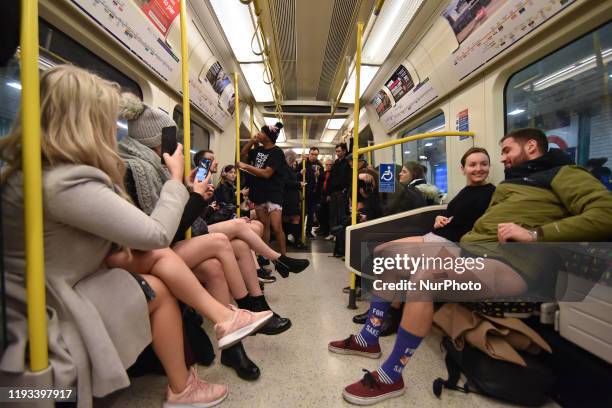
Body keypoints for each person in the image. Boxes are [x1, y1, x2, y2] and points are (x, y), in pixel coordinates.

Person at [0, 65, 254, 407]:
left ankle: (226, 322)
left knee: (196, 251)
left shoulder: (38, 169)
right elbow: (157, 233)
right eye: (107, 119)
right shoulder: (65, 181)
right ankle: (213, 341)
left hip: (58, 277)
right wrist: (176, 180)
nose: (113, 131)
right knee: (170, 275)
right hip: (51, 297)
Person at [329, 128, 612, 405]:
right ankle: (369, 338)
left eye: (506, 151)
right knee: (386, 257)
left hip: (512, 264)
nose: (502, 159)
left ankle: (392, 375)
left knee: (426, 274)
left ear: (532, 147)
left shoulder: (564, 174)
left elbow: (605, 214)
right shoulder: (513, 183)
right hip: (471, 254)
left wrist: (536, 234)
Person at [117, 94, 297, 343]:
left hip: (175, 237)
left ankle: (251, 316)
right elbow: (165, 230)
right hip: (158, 247)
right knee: (224, 241)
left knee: (236, 245)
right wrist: (195, 195)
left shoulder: (158, 169)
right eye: (170, 138)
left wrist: (189, 189)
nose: (175, 144)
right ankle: (256, 300)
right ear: (158, 141)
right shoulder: (138, 172)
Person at [239, 122, 295, 259]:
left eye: (262, 132)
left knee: (277, 227)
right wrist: (252, 141)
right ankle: (265, 256)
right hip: (259, 192)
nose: (259, 133)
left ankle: (283, 257)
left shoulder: (277, 153)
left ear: (268, 137)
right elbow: (243, 153)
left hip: (273, 194)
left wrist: (246, 167)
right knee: (264, 226)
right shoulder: (258, 150)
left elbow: (266, 173)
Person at [282, 150, 307, 249]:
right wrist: (299, 184)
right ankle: (297, 241)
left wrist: (299, 174)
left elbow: (291, 179)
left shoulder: (286, 167)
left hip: (287, 197)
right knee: (296, 218)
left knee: (286, 218)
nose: (294, 161)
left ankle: (286, 240)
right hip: (290, 197)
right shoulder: (285, 168)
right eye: (293, 160)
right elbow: (287, 182)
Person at [327, 143, 352, 236]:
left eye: (339, 151)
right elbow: (331, 178)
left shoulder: (348, 163)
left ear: (344, 151)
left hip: (342, 191)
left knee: (341, 214)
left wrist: (346, 190)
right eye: (336, 151)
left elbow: (349, 178)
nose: (337, 153)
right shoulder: (336, 163)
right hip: (333, 192)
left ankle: (340, 234)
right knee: (332, 213)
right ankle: (332, 233)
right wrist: (328, 193)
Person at [304, 147, 324, 238]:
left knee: (311, 214)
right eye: (312, 154)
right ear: (309, 154)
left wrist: (319, 176)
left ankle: (308, 232)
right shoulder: (304, 163)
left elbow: (322, 179)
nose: (314, 156)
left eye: (316, 154)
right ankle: (299, 233)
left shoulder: (320, 165)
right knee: (302, 213)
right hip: (304, 192)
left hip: (314, 193)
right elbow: (296, 174)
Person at [317, 159, 333, 237]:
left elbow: (332, 185)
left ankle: (327, 231)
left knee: (328, 214)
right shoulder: (324, 173)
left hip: (329, 196)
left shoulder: (333, 174)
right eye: (327, 165)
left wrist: (329, 194)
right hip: (322, 196)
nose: (328, 166)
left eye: (330, 165)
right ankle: (323, 229)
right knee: (321, 214)